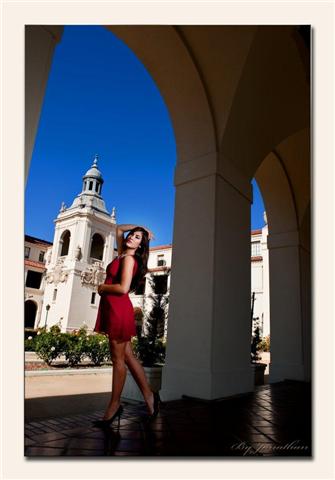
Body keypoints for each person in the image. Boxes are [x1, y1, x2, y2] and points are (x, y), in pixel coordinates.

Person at [93, 224, 160, 428]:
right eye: (132, 235)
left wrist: (102, 287)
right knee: (129, 357)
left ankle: (114, 405)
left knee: (118, 360)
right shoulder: (122, 253)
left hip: (118, 310)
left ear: (141, 245)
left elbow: (122, 288)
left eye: (137, 237)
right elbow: (119, 229)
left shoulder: (129, 259)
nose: (131, 237)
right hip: (112, 309)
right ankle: (150, 397)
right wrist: (144, 228)